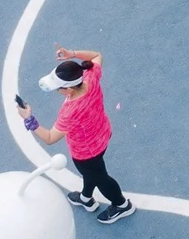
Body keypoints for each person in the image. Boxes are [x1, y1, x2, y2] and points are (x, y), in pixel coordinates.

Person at [23, 47, 133, 223]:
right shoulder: (90, 76)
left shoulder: (71, 111)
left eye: (58, 88)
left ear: (68, 90)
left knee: (100, 178)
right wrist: (72, 54)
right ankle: (86, 198)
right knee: (93, 173)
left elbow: (50, 138)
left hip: (86, 152)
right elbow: (97, 55)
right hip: (102, 133)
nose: (57, 91)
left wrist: (29, 119)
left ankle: (122, 205)